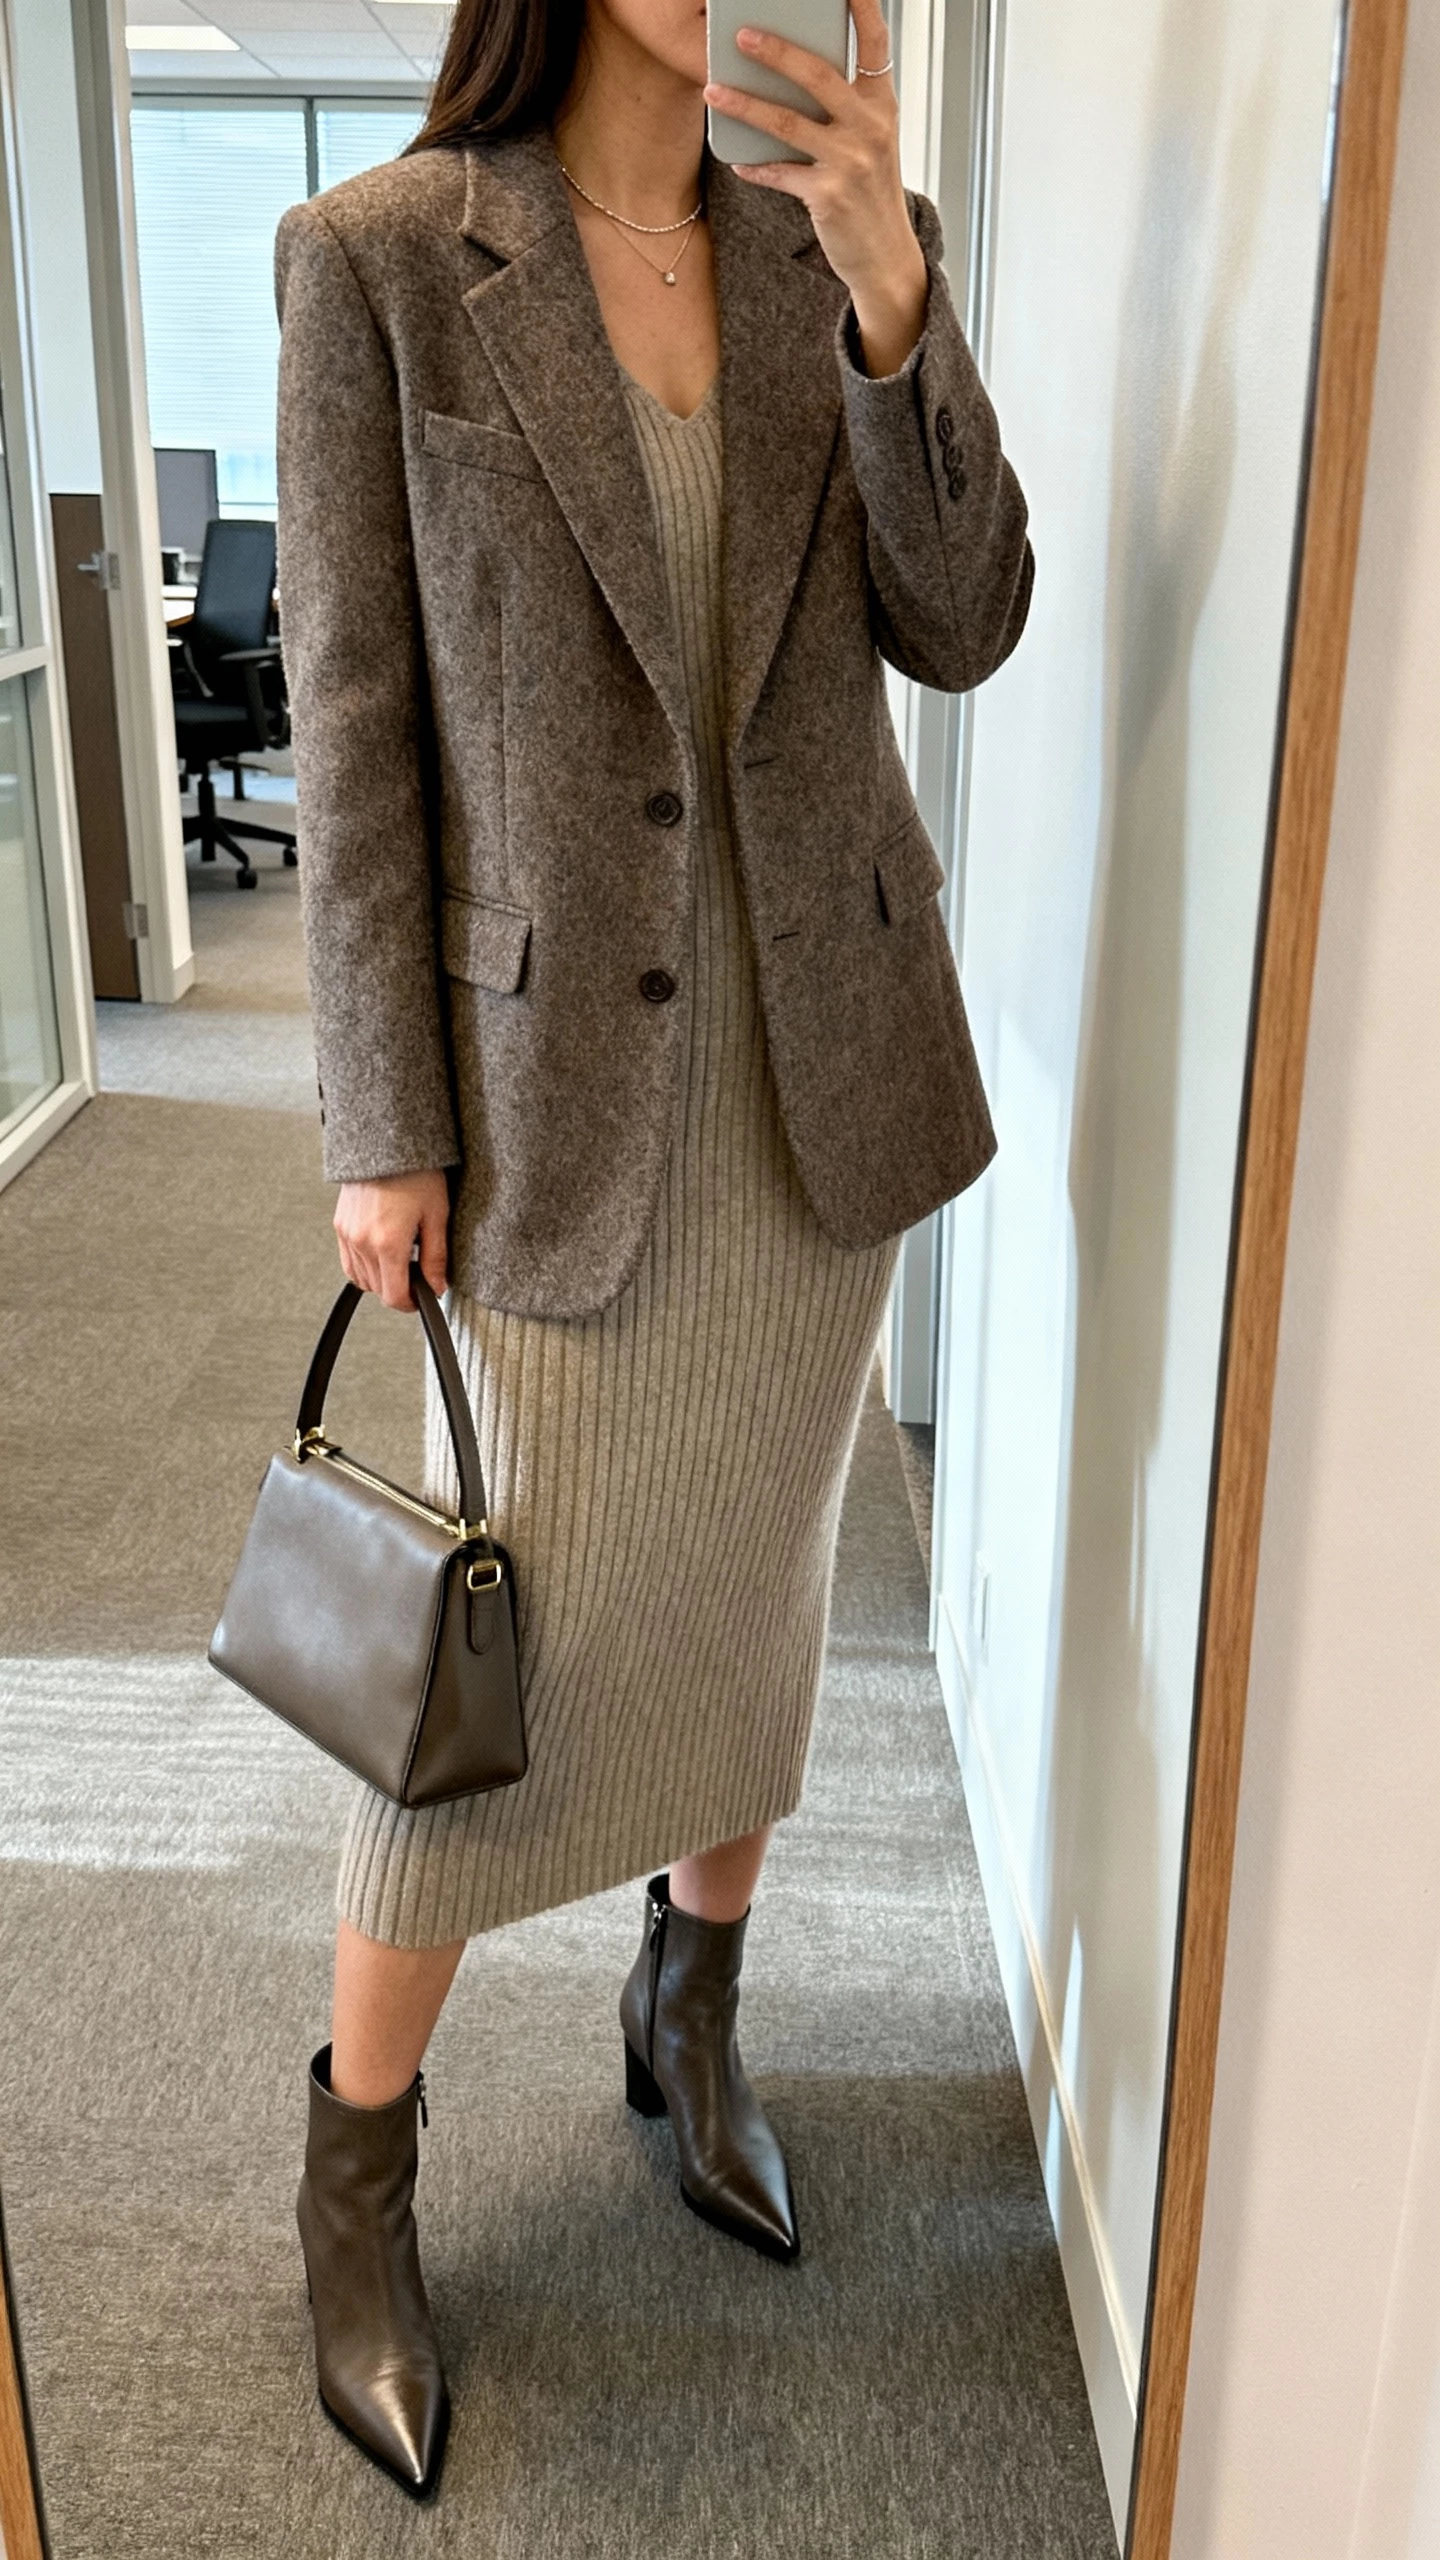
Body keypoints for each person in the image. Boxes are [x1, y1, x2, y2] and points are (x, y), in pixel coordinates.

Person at [274, 0, 1031, 2498]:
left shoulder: (830, 250)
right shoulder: (383, 259)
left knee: (749, 1599)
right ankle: (357, 2173)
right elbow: (356, 723)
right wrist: (382, 1117)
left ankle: (689, 2013)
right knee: (488, 1660)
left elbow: (965, 619)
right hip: (550, 1116)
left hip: (817, 1081)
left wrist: (899, 292)